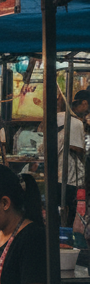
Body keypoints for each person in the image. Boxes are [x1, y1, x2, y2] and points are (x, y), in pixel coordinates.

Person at [57, 90, 89, 225]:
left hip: (55, 171)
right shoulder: (75, 123)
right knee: (70, 208)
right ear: (84, 103)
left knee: (58, 206)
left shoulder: (58, 116)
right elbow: (76, 147)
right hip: (69, 174)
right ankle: (66, 237)